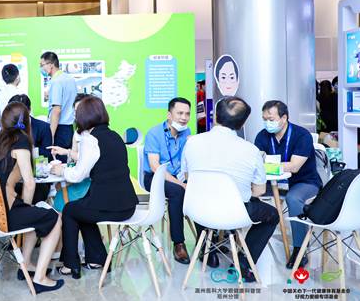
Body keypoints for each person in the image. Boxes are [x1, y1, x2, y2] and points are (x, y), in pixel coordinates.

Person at [182, 97, 279, 282]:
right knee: (272, 215)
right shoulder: (251, 150)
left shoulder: (192, 142)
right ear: (242, 124)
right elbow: (259, 191)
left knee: (205, 198)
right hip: (235, 213)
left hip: (198, 210)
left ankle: (208, 250)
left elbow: (189, 179)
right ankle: (243, 263)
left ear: (214, 117)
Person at [50, 96, 138, 279]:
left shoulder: (90, 140)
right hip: (128, 204)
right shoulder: (114, 136)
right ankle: (96, 258)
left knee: (70, 210)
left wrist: (60, 170)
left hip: (111, 207)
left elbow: (78, 175)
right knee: (81, 209)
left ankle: (70, 265)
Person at [0, 102, 64, 294]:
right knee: (54, 218)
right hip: (2, 215)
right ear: (27, 121)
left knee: (33, 214)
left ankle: (26, 263)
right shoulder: (21, 141)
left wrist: (27, 209)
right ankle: (40, 278)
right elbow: (30, 183)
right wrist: (27, 207)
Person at [255, 100, 322, 269]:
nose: (267, 123)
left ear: (284, 118)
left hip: (304, 182)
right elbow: (256, 161)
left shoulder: (301, 135)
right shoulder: (262, 136)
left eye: (271, 119)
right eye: (264, 119)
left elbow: (295, 166)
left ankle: (300, 249)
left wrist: (267, 165)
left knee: (293, 198)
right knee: (248, 192)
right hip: (271, 182)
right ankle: (241, 245)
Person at [142, 97, 192, 265]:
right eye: (180, 113)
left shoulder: (187, 132)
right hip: (154, 177)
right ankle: (179, 244)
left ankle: (206, 242)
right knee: (178, 192)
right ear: (169, 115)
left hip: (177, 176)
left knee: (198, 189)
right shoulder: (154, 133)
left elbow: (188, 160)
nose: (184, 118)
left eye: (187, 114)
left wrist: (189, 181)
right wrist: (182, 184)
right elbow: (155, 166)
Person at [48, 93, 92, 213]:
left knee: (60, 199)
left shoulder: (94, 134)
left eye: (80, 110)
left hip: (89, 182)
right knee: (59, 190)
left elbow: (87, 160)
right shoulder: (78, 132)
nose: (76, 114)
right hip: (78, 177)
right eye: (75, 111)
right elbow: (73, 159)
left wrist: (66, 153)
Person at [39, 52, 77, 160]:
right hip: (69, 128)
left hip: (59, 129)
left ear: (51, 64)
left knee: (57, 162)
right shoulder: (70, 79)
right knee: (67, 161)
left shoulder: (56, 81)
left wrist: (50, 136)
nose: (41, 68)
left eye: (42, 65)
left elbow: (56, 110)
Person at [0, 64, 21, 129]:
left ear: (3, 78)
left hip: (2, 132)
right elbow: (29, 118)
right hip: (18, 133)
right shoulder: (21, 94)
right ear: (18, 76)